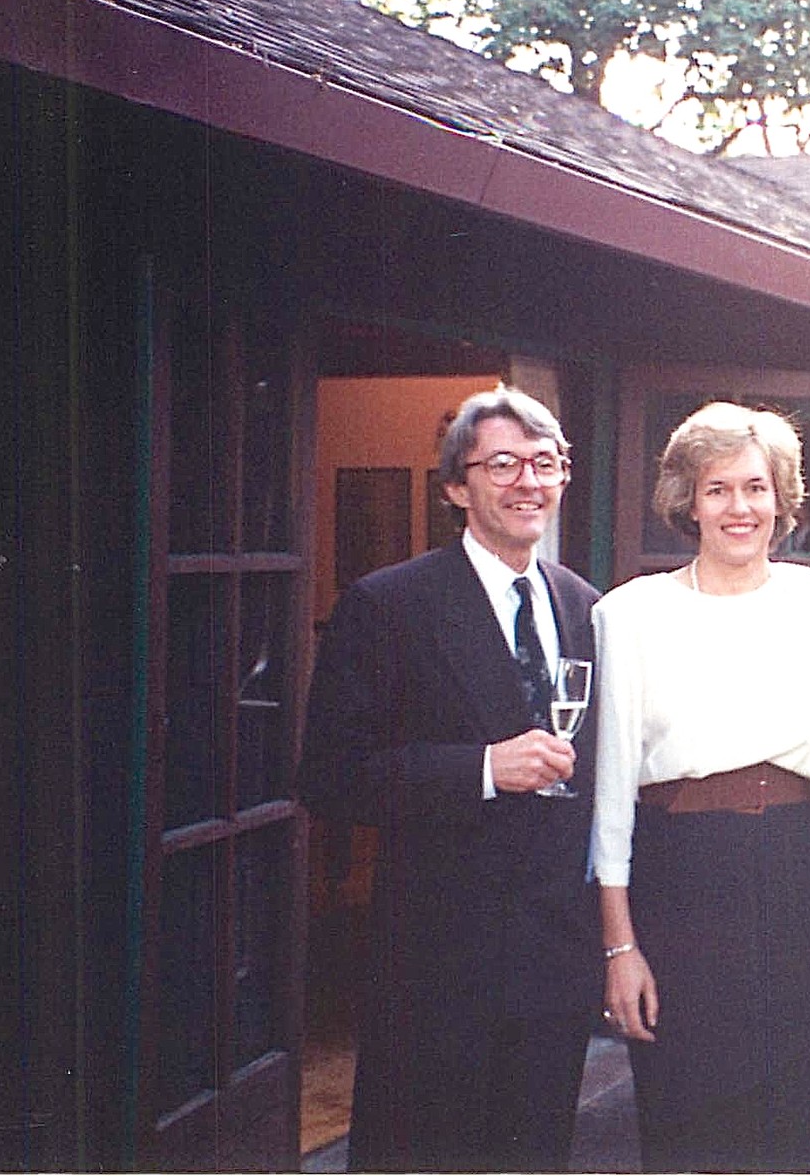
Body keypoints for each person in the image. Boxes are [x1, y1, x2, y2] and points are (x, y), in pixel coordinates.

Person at [300, 385, 602, 1172]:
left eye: (544, 463)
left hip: (551, 972)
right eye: (502, 464)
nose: (527, 481)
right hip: (436, 970)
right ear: (455, 487)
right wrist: (480, 769)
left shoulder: (585, 607)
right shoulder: (387, 604)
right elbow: (330, 777)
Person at [589, 401, 810, 1172]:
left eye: (754, 487)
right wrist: (621, 947)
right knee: (682, 1122)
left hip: (791, 873)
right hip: (679, 880)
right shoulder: (630, 615)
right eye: (717, 489)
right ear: (688, 501)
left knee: (778, 1127)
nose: (739, 508)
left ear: (781, 498)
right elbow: (610, 797)